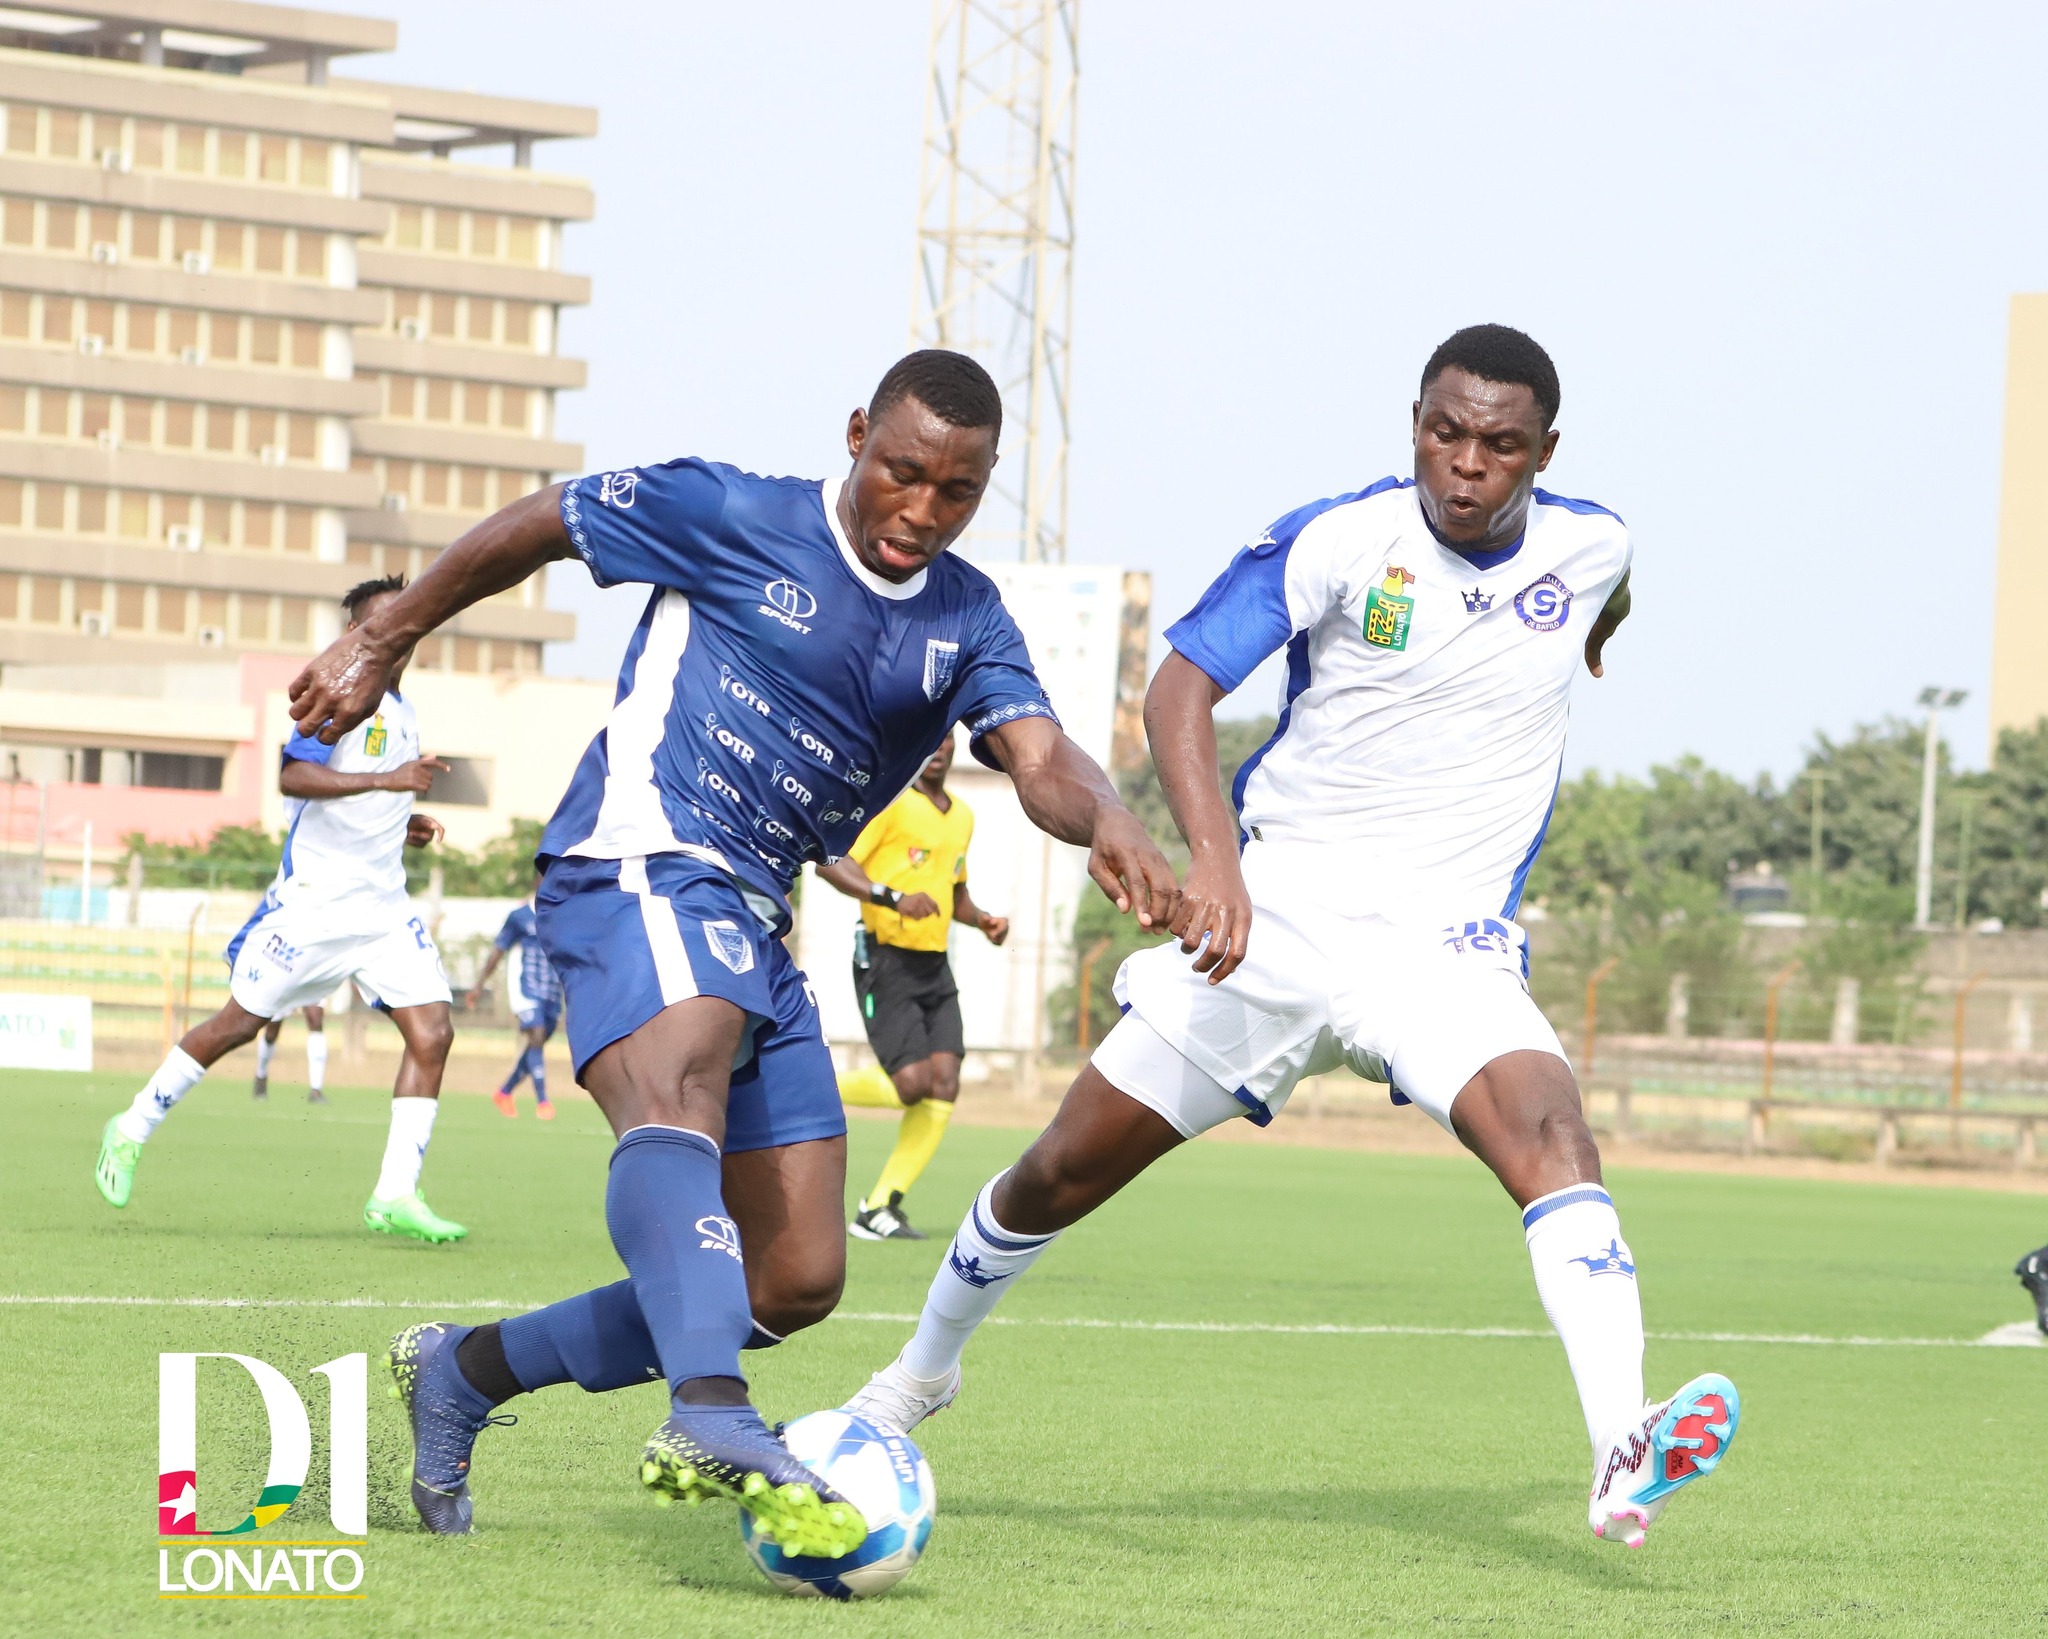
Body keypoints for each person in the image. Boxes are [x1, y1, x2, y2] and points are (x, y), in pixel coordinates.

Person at [843, 326, 1742, 1551]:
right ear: (1414, 422)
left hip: (1441, 946)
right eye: (1442, 432)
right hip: (1276, 921)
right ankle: (917, 1374)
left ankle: (1618, 1444)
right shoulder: (1338, 540)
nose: (1463, 462)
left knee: (1553, 1136)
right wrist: (1215, 865)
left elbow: (1606, 597)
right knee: (1058, 1171)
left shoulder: (1595, 547)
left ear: (1543, 453)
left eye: (1497, 445)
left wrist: (1589, 640)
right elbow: (1178, 687)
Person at [283, 350, 1178, 1555]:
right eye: (901, 472)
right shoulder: (732, 512)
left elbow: (1038, 753)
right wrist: (386, 634)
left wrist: (1109, 814)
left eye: (955, 491)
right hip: (638, 855)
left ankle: (464, 1370)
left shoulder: (966, 616)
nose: (921, 509)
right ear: (855, 434)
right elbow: (549, 519)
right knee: (681, 1083)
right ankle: (707, 1408)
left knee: (792, 1275)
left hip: (753, 917)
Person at [94, 576, 467, 1246]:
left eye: (407, 617)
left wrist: (397, 820)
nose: (399, 629)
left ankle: (395, 1193)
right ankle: (130, 1127)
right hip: (314, 908)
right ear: (357, 633)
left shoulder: (403, 708)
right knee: (237, 1025)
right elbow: (292, 775)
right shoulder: (339, 695)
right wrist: (386, 781)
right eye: (383, 620)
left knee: (433, 1033)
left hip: (382, 910)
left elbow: (363, 799)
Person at [816, 729, 1009, 1240]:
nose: (939, 748)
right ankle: (805, 1085)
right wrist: (891, 897)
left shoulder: (962, 816)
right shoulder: (889, 804)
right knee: (912, 1086)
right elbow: (832, 861)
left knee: (944, 1082)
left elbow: (955, 893)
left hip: (934, 964)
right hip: (884, 959)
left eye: (947, 740)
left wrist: (983, 920)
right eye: (932, 740)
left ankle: (879, 1207)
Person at [467, 877, 562, 1121]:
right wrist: (478, 985)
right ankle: (543, 1101)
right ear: (537, 881)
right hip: (525, 988)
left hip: (552, 992)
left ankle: (505, 1092)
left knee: (536, 1045)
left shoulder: (562, 914)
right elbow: (498, 950)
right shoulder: (519, 916)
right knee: (536, 1035)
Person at [252, 1004, 329, 1105]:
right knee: (271, 1033)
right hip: (283, 993)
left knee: (316, 1022)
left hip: (308, 993)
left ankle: (316, 1089)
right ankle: (261, 1075)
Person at [2018, 1242, 2048, 1335]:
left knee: (2043, 1296)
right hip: (2035, 1270)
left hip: (2030, 1267)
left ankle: (2044, 1321)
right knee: (2044, 1296)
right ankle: (2045, 1323)